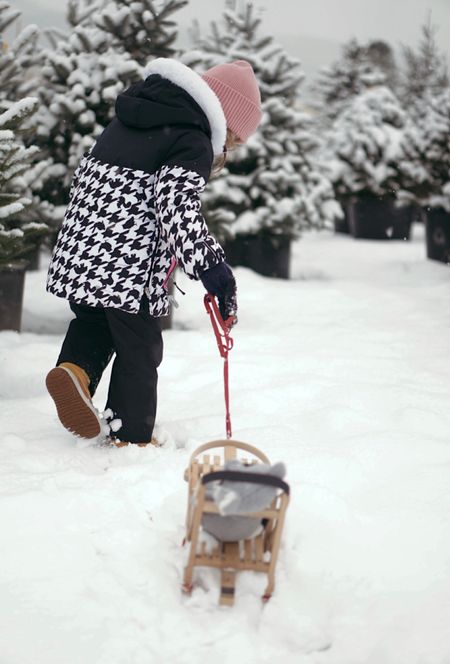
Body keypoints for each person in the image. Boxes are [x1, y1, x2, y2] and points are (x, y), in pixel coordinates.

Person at [45, 58, 262, 447]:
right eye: (235, 138)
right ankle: (130, 435)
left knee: (94, 321)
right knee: (140, 348)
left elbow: (87, 176)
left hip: (84, 244)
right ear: (225, 117)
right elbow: (175, 204)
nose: (230, 147)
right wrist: (212, 267)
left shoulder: (133, 118)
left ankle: (74, 371)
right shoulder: (191, 139)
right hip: (130, 260)